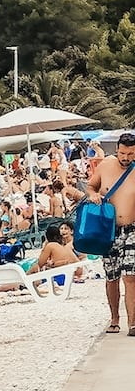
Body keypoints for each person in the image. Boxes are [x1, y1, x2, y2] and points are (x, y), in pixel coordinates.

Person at [87, 131, 135, 333]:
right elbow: (90, 186)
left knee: (130, 275)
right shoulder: (106, 165)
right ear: (117, 150)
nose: (126, 158)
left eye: (131, 154)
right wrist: (93, 195)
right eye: (123, 153)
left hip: (132, 228)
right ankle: (114, 318)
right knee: (112, 275)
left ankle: (132, 322)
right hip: (108, 229)